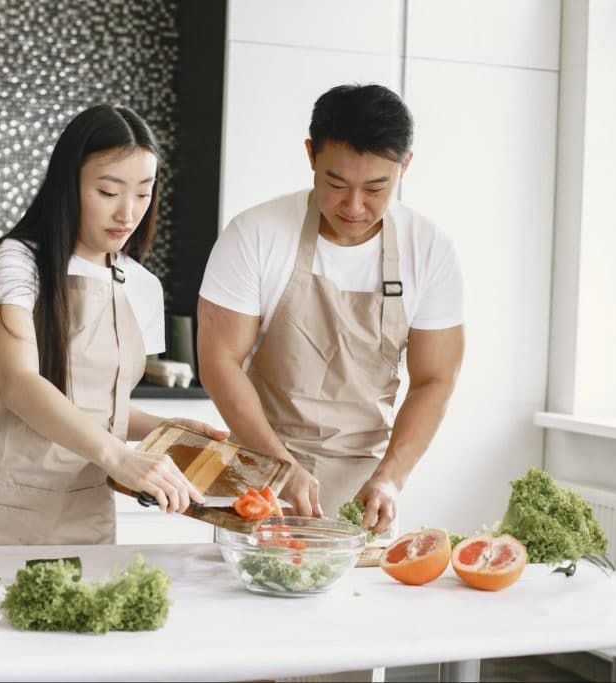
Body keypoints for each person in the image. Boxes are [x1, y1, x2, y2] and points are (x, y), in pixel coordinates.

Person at [0, 105, 227, 546]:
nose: (128, 214)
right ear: (69, 184)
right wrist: (120, 457)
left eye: (143, 194)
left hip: (86, 510)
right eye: (109, 192)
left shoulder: (140, 285)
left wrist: (164, 429)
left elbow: (96, 406)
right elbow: (19, 384)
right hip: (2, 508)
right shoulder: (16, 261)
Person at [197, 84, 464, 536]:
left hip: (363, 485)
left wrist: (391, 479)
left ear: (406, 166)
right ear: (311, 157)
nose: (355, 207)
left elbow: (435, 379)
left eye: (377, 187)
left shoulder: (429, 250)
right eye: (336, 184)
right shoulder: (256, 234)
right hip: (261, 478)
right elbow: (219, 362)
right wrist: (280, 467)